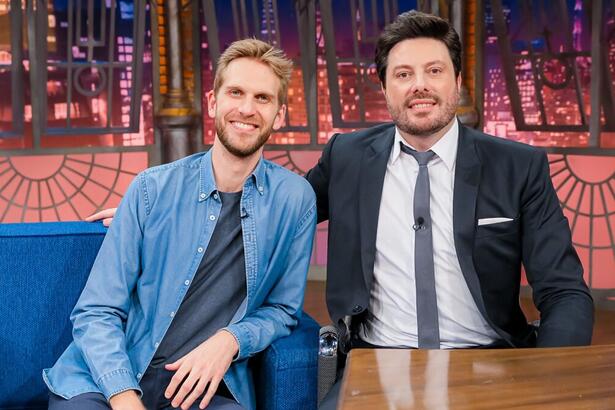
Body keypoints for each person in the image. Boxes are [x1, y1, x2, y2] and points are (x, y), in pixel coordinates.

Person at [90, 11, 594, 408]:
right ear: (385, 88)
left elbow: (565, 293)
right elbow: (269, 205)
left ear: (456, 81)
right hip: (379, 362)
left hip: (491, 361)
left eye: (433, 70)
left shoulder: (520, 166)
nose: (419, 84)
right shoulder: (349, 157)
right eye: (403, 73)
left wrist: (548, 381)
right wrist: (153, 204)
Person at [43, 39, 317, 410]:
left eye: (263, 98)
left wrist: (231, 339)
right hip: (105, 379)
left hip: (199, 387)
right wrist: (123, 396)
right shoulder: (151, 190)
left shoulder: (295, 200)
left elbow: (283, 310)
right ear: (213, 102)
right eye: (236, 92)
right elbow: (97, 312)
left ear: (279, 114)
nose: (247, 109)